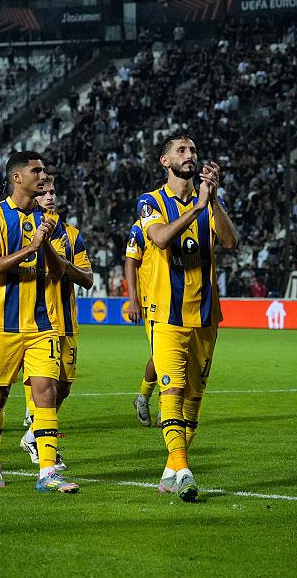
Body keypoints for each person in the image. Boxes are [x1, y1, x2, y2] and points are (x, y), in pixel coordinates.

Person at [137, 133, 238, 502]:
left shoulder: (211, 202)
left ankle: (171, 470)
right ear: (165, 162)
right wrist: (197, 206)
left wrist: (213, 202)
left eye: (193, 149)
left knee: (194, 397)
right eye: (182, 150)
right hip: (167, 316)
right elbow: (161, 239)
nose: (190, 154)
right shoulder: (151, 202)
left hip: (207, 315)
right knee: (174, 391)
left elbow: (231, 242)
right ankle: (184, 469)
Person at [0, 151, 79, 493]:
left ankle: (47, 472)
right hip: (0, 325)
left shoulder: (51, 221)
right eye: (36, 171)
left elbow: (60, 270)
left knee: (45, 394)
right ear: (17, 177)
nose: (42, 175)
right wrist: (32, 246)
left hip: (41, 323)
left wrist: (45, 244)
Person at [19, 177, 93, 470]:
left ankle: (31, 435)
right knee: (43, 388)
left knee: (63, 388)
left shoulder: (72, 235)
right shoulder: (23, 233)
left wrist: (63, 266)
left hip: (68, 323)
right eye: (43, 192)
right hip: (37, 323)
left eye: (52, 192)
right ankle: (42, 448)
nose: (49, 196)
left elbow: (87, 279)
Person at [124, 217, 157, 427]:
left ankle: (143, 399)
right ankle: (157, 405)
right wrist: (133, 299)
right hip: (153, 302)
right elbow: (130, 261)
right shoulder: (140, 226)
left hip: (180, 300)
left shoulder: (180, 221)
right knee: (163, 355)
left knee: (181, 356)